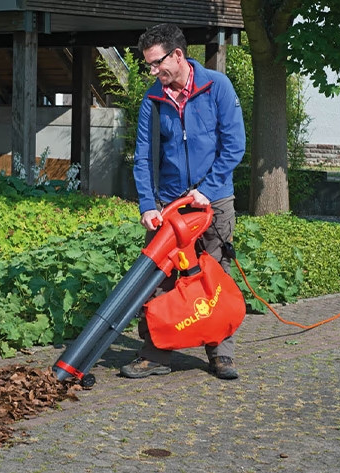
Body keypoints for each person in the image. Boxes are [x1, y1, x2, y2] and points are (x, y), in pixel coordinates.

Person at [120, 23, 246, 380]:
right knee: (158, 280)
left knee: (213, 273)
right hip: (170, 204)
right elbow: (143, 156)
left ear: (178, 55)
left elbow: (234, 144)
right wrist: (147, 204)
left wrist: (208, 188)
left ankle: (221, 353)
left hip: (214, 200)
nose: (152, 71)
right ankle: (156, 354)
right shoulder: (152, 100)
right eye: (148, 65)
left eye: (156, 63)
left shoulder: (216, 87)